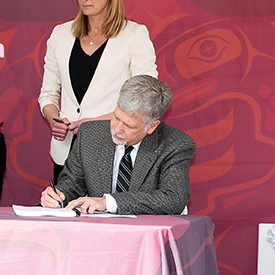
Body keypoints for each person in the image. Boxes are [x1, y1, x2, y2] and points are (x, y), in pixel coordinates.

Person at [38, 0, 158, 181]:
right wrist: (54, 119)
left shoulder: (134, 35)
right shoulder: (60, 34)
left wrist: (91, 123)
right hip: (66, 155)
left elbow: (146, 98)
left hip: (114, 150)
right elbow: (48, 94)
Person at [41, 75, 194, 215]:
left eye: (129, 126)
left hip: (146, 237)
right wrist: (59, 195)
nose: (117, 129)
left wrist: (108, 202)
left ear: (152, 126)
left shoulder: (175, 144)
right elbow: (72, 184)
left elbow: (174, 198)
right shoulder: (89, 135)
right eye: (116, 117)